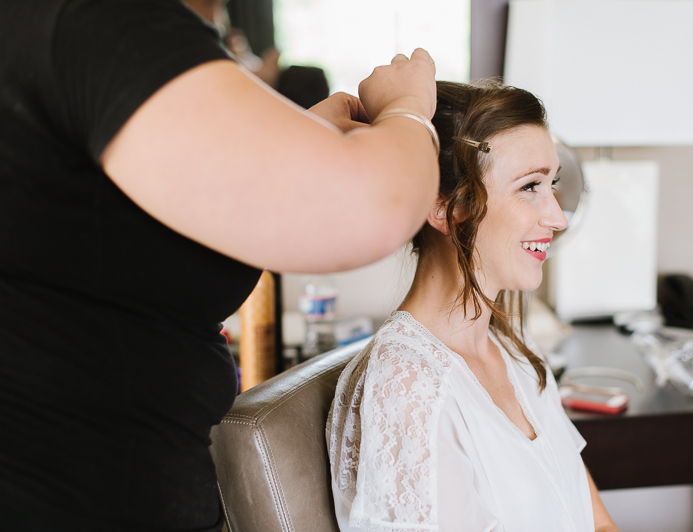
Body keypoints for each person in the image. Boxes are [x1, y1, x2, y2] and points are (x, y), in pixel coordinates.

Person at [0, 0, 439, 530]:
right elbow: (375, 204)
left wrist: (295, 142)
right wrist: (408, 109)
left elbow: (127, 232)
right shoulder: (98, 19)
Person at [327, 80, 620, 532]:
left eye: (554, 184)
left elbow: (593, 519)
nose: (559, 218)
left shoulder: (515, 350)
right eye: (530, 187)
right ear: (446, 208)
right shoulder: (409, 387)